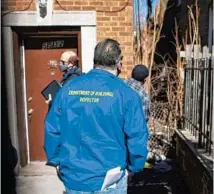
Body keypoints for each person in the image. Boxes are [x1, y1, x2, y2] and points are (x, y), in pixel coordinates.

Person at [44, 38, 149, 194]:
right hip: (111, 178)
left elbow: (52, 129)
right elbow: (137, 136)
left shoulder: (68, 89)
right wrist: (134, 167)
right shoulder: (127, 95)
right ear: (119, 63)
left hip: (74, 177)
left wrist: (56, 161)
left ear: (95, 61)